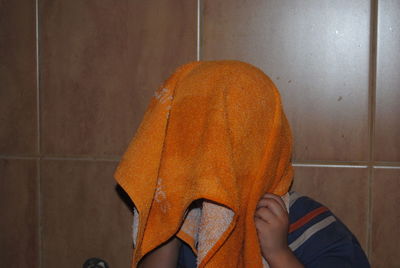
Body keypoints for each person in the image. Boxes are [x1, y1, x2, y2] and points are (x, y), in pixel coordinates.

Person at [114, 60, 370, 267]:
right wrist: (165, 226)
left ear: (267, 146)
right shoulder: (189, 223)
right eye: (190, 141)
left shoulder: (313, 227)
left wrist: (278, 253)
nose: (209, 158)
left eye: (227, 142)